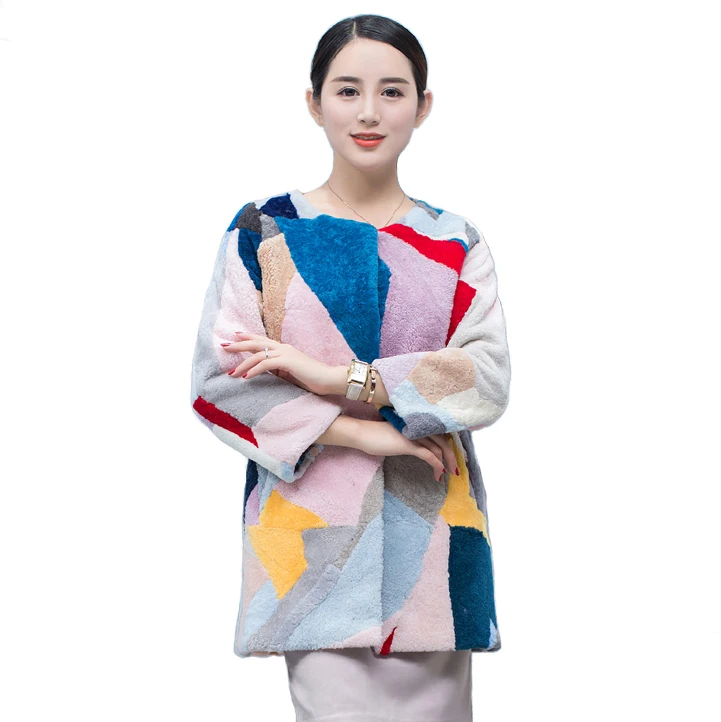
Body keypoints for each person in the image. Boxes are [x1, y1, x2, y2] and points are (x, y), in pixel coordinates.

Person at [190, 13, 512, 722]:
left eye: (393, 91)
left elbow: (485, 379)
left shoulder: (453, 241)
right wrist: (366, 433)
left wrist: (339, 379)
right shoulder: (266, 230)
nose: (369, 112)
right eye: (347, 90)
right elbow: (219, 384)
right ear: (314, 102)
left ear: (423, 106)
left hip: (434, 548)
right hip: (314, 553)